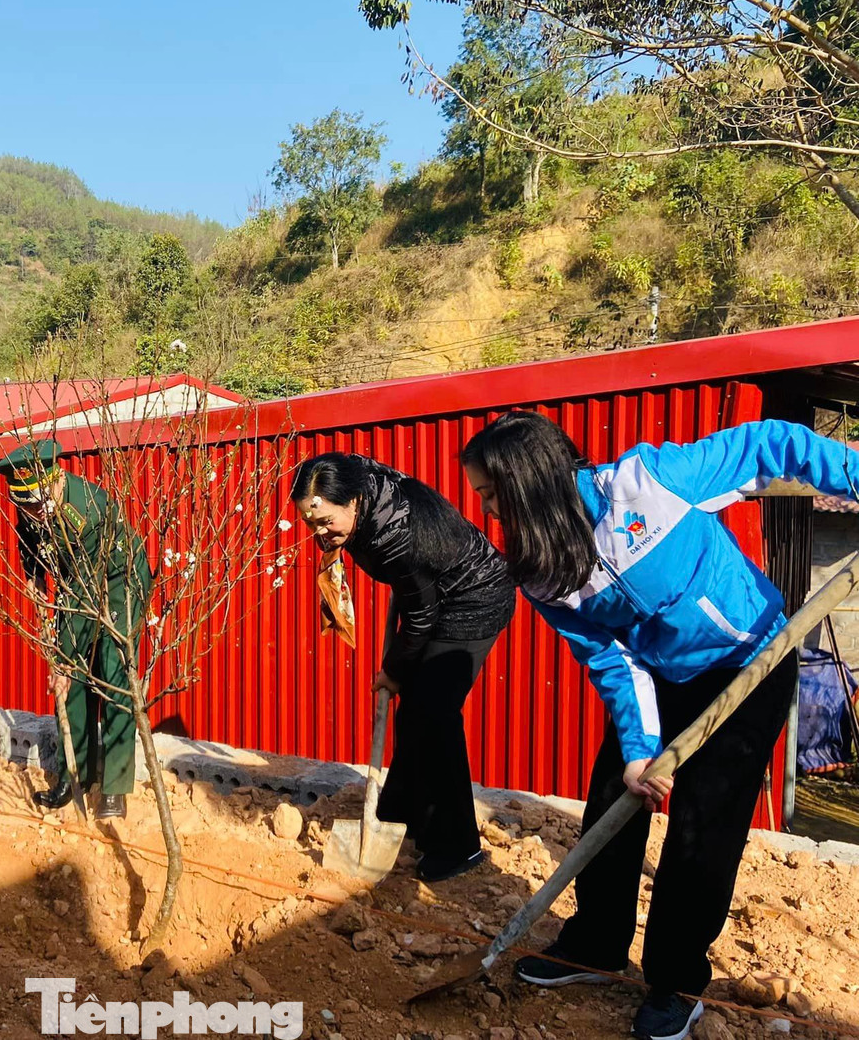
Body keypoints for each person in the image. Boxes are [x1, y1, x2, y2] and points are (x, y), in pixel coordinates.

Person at [461, 411, 859, 1040]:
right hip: (657, 678)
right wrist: (640, 750)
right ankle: (594, 945)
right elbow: (610, 659)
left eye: (490, 494)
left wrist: (855, 476)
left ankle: (674, 982)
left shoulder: (648, 483)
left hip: (749, 661)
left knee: (704, 825)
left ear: (528, 482)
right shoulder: (540, 567)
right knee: (613, 798)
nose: (485, 510)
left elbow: (766, 445)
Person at [290, 453, 516, 882]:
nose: (318, 532)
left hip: (474, 598)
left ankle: (457, 847)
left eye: (325, 522)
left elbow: (420, 617)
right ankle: (400, 812)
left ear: (353, 501)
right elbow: (417, 600)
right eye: (310, 522)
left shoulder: (394, 540)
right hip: (432, 591)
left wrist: (392, 671)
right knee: (416, 711)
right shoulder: (357, 479)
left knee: (434, 713)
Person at [0, 441, 152, 820]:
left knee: (112, 678)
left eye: (36, 503)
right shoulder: (31, 504)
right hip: (74, 587)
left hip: (119, 585)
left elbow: (86, 590)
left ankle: (113, 787)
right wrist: (36, 595)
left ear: (55, 482)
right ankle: (73, 775)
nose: (31, 512)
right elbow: (31, 554)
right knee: (72, 690)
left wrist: (61, 663)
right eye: (24, 505)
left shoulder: (86, 511)